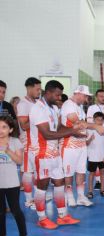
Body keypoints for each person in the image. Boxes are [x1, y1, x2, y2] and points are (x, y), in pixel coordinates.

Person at [29, 80, 81, 229]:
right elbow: (46, 134)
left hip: (55, 153)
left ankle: (63, 216)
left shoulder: (52, 108)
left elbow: (59, 128)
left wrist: (75, 131)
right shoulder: (38, 109)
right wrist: (71, 131)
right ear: (48, 92)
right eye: (57, 95)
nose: (59, 98)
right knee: (42, 185)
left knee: (60, 182)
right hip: (42, 153)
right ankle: (42, 218)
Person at [60, 85, 104, 207]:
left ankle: (80, 196)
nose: (86, 99)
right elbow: (78, 123)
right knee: (68, 173)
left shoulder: (79, 107)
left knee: (81, 171)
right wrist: (96, 126)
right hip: (69, 144)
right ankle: (69, 196)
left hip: (81, 144)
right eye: (85, 96)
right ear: (78, 93)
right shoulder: (68, 105)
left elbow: (83, 125)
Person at [17, 77, 41, 210]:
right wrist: (38, 118)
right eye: (37, 89)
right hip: (27, 143)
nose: (39, 91)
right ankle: (28, 200)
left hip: (37, 142)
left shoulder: (37, 102)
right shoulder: (23, 104)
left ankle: (37, 197)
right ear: (29, 88)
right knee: (27, 172)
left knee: (37, 172)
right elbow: (24, 125)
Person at [0, 116, 27, 236]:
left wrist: (8, 151)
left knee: (16, 211)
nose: (0, 130)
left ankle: (23, 233)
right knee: (0, 212)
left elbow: (19, 161)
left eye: (4, 127)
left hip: (12, 183)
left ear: (10, 130)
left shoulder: (15, 142)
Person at [87, 89, 104, 190]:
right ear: (96, 97)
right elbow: (89, 122)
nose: (103, 98)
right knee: (96, 158)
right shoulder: (91, 108)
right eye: (101, 96)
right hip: (96, 136)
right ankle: (98, 182)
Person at [86, 112, 104, 199]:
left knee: (102, 173)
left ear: (103, 121)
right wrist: (90, 139)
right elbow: (86, 143)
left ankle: (102, 189)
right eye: (97, 120)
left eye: (101, 120)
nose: (99, 122)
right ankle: (90, 191)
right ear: (93, 120)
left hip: (102, 156)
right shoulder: (89, 130)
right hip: (92, 156)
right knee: (91, 174)